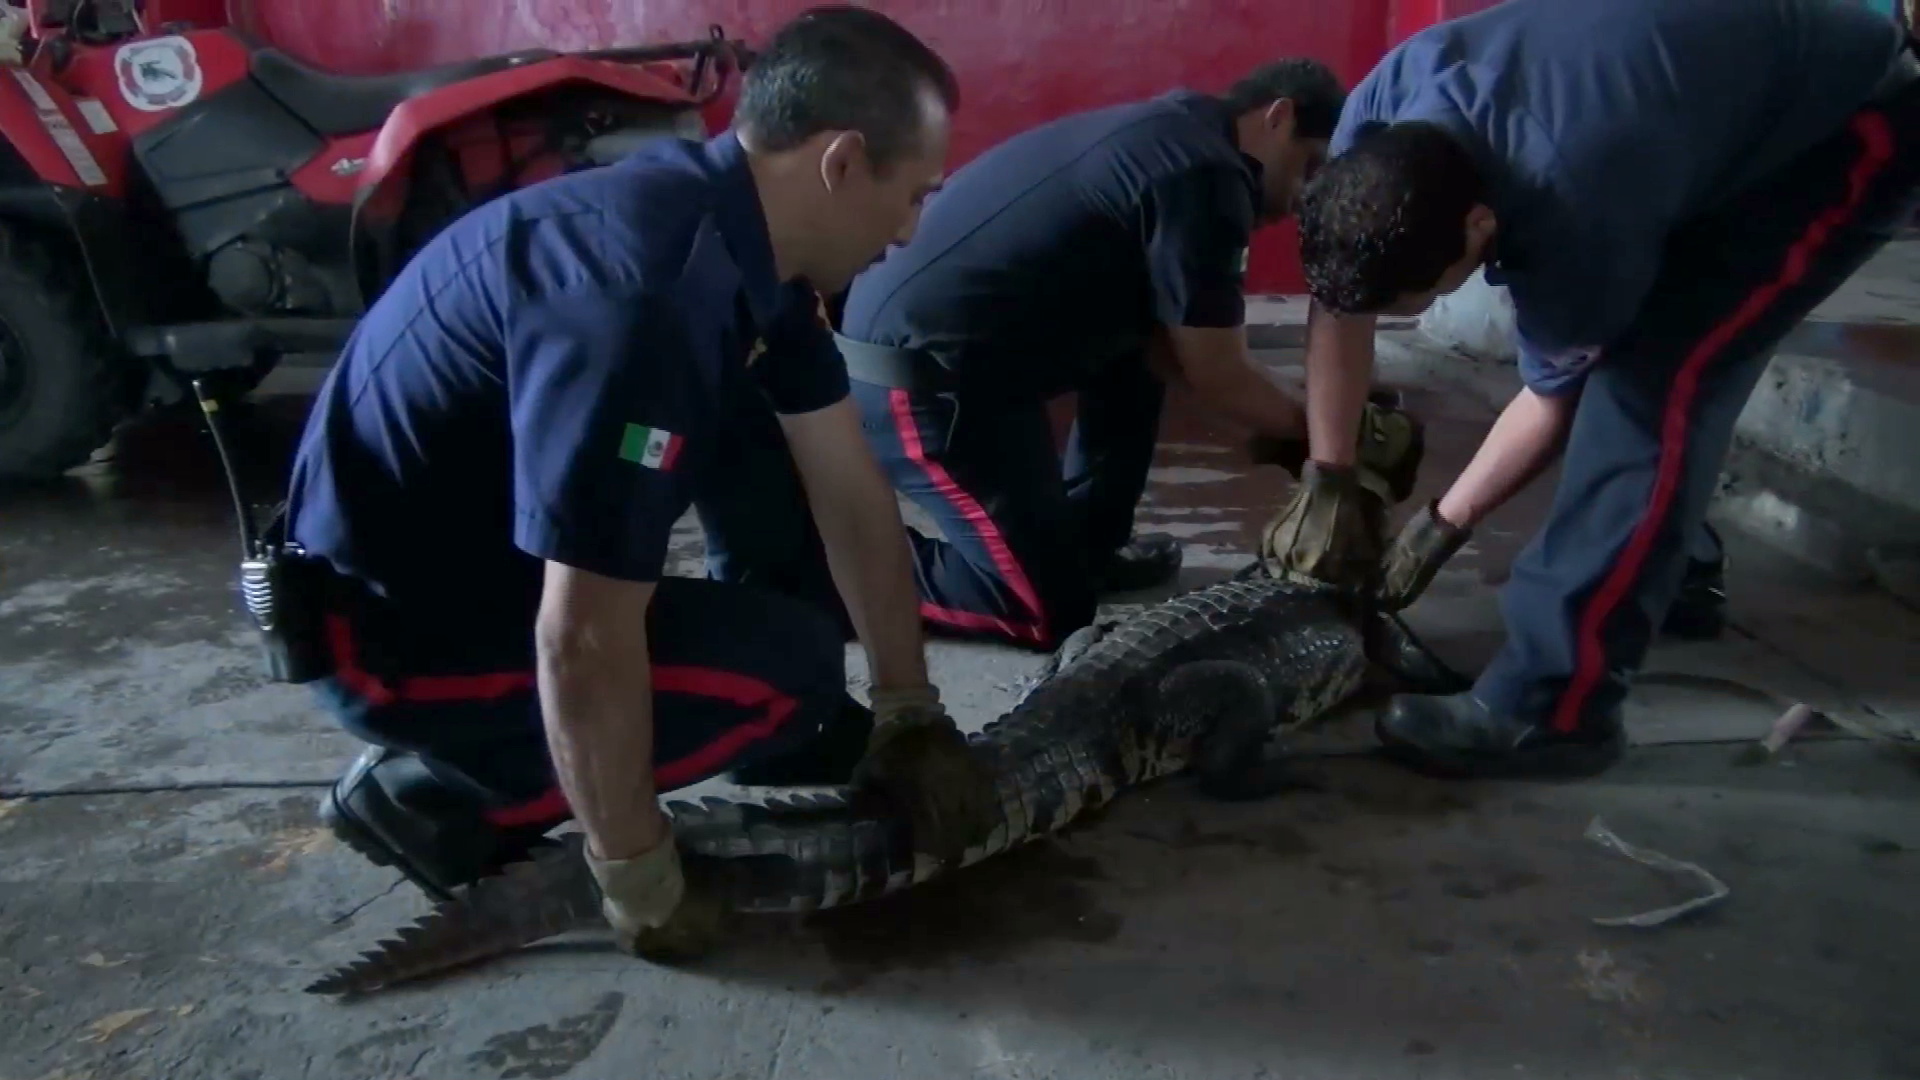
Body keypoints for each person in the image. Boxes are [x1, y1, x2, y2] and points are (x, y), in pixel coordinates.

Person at [277, 6, 998, 962]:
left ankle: (766, 728)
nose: (911, 231)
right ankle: (438, 799)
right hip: (386, 634)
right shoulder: (643, 297)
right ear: (841, 162)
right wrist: (635, 872)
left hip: (480, 555)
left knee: (769, 448)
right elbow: (580, 633)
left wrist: (912, 708)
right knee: (793, 671)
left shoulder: (741, 234)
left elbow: (848, 485)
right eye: (912, 196)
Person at [1282, 0, 1920, 778]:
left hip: (1841, 128)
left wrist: (1438, 528)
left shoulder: (1576, 202)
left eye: (1414, 301)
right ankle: (1669, 570)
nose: (1389, 316)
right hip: (1694, 102)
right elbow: (1342, 301)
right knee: (1640, 364)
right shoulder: (1379, 117)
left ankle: (1556, 707)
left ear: (1480, 227)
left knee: (1654, 391)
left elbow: (1554, 400)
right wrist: (1330, 474)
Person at [718, 61, 1425, 654]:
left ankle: (1087, 546)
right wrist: (1328, 442)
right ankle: (826, 571)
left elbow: (1180, 353)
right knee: (1045, 614)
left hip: (975, 357)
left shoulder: (1178, 132)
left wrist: (1297, 430)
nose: (1303, 200)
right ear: (1277, 116)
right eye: (1309, 170)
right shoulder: (1206, 177)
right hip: (917, 383)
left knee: (1139, 352)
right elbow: (1218, 374)